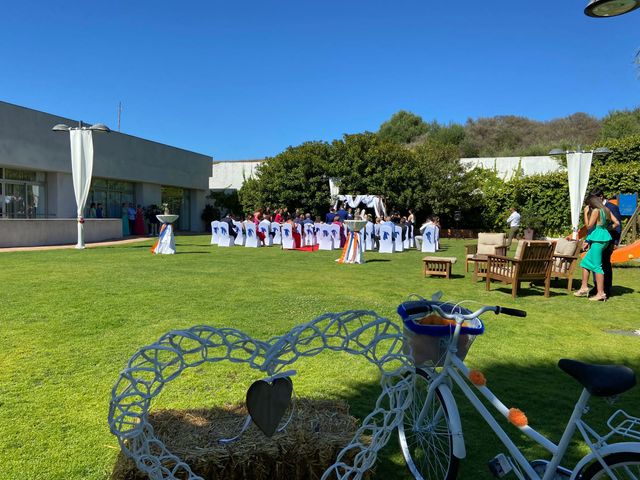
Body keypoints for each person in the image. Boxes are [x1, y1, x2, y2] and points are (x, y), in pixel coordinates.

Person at [574, 195, 619, 302]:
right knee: (585, 262)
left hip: (598, 240)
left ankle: (601, 293)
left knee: (597, 267)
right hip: (604, 238)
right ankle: (584, 287)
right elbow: (616, 223)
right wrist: (606, 228)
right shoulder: (606, 209)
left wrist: (585, 213)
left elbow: (589, 226)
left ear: (591, 203)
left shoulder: (596, 211)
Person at [588, 189, 622, 297]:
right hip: (595, 239)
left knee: (605, 264)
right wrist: (587, 240)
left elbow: (618, 225)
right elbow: (591, 226)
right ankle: (597, 286)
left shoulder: (611, 207)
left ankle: (606, 288)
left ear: (601, 196)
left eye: (595, 197)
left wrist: (615, 241)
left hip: (608, 240)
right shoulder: (593, 207)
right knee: (596, 262)